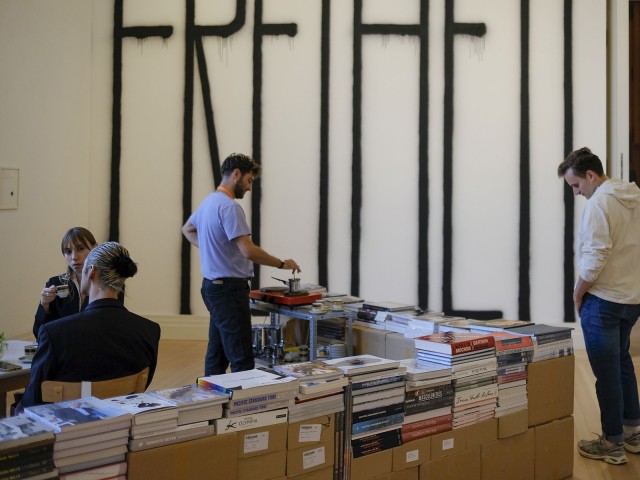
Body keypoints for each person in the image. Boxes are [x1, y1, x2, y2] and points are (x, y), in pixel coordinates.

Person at [182, 152, 301, 376]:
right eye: (249, 180)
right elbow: (248, 250)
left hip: (212, 288)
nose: (249, 187)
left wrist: (212, 248)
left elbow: (187, 229)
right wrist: (282, 263)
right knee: (242, 360)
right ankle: (244, 411)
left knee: (216, 356)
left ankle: (211, 404)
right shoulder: (229, 207)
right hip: (229, 290)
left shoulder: (209, 202)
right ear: (236, 174)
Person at [558, 147, 640, 465]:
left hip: (604, 301)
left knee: (606, 374)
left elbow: (594, 259)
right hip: (631, 300)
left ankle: (612, 444)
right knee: (621, 365)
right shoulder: (633, 196)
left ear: (591, 175)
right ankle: (633, 434)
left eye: (576, 185)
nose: (577, 193)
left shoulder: (599, 204)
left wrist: (578, 295)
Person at [19, 242, 161, 410]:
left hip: (69, 427)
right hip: (121, 423)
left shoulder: (55, 333)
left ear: (91, 271)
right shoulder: (150, 330)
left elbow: (34, 399)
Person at [33, 227, 124, 339]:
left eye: (80, 249)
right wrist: (44, 305)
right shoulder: (55, 283)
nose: (74, 257)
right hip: (64, 349)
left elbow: (113, 325)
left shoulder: (109, 283)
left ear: (95, 248)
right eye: (68, 252)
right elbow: (38, 332)